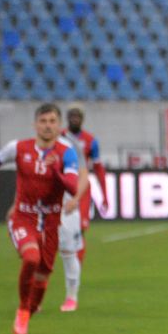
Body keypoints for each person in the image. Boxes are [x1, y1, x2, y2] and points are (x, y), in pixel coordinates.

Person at [0, 103, 83, 334]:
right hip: (23, 217)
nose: (47, 126)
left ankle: (29, 310)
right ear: (35, 124)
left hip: (52, 222)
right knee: (31, 257)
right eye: (43, 121)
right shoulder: (18, 148)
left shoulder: (66, 152)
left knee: (43, 277)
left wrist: (55, 172)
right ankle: (22, 313)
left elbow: (72, 188)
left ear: (58, 125)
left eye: (52, 121)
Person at [57, 105, 109, 311]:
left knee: (80, 231)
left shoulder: (90, 141)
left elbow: (97, 168)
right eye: (72, 116)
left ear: (83, 118)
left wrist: (104, 194)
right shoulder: (58, 137)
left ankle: (74, 274)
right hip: (61, 189)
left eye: (78, 116)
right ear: (67, 118)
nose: (75, 119)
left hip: (81, 190)